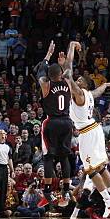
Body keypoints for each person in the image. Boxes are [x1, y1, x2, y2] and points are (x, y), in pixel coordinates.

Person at [63, 41, 110, 219]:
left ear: (82, 85)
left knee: (91, 170)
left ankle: (108, 200)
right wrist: (104, 86)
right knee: (102, 167)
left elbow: (68, 70)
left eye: (80, 79)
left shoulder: (80, 94)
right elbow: (97, 91)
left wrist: (71, 47)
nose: (77, 79)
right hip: (94, 130)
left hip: (88, 133)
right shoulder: (89, 94)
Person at [36, 41, 75, 201]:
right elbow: (69, 67)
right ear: (61, 74)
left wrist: (48, 55)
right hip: (67, 122)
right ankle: (66, 188)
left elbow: (40, 72)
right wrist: (64, 62)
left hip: (51, 122)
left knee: (48, 157)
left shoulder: (46, 85)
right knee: (64, 156)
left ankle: (47, 190)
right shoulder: (67, 82)